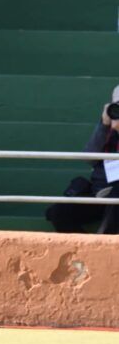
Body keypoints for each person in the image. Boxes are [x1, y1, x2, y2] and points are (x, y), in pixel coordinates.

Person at [46, 85, 119, 233]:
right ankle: (88, 249)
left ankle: (104, 243)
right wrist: (104, 125)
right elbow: (89, 157)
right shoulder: (107, 129)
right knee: (58, 213)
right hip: (100, 193)